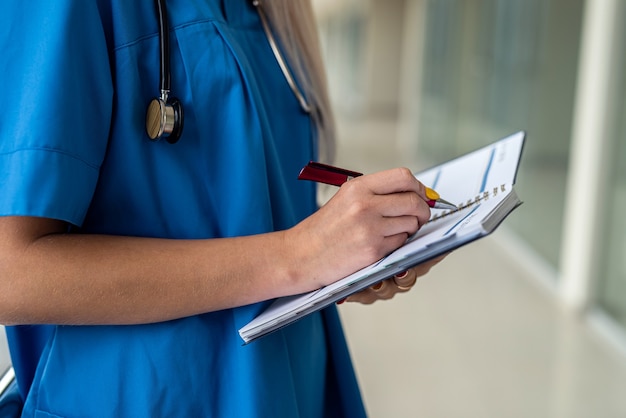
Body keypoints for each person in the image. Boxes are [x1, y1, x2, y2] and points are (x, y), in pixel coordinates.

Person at [0, 1, 444, 416]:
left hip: (289, 382)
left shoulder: (265, 10)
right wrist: (299, 256)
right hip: (151, 397)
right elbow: (10, 274)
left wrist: (343, 255)